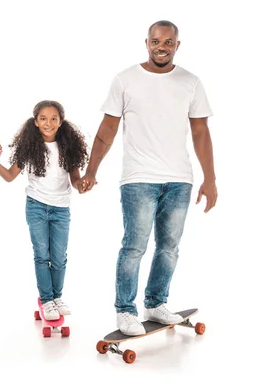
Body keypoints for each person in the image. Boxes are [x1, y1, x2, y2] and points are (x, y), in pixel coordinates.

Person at [80, 20, 218, 336]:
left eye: (168, 42)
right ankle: (125, 311)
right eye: (156, 41)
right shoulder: (126, 80)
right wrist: (91, 171)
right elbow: (107, 130)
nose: (161, 47)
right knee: (134, 246)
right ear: (147, 42)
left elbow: (201, 132)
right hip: (138, 177)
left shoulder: (191, 82)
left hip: (179, 179)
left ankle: (155, 303)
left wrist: (209, 179)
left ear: (177, 45)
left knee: (169, 246)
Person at [0, 100, 88, 321]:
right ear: (35, 122)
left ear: (61, 122)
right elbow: (9, 176)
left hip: (61, 209)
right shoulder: (29, 147)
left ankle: (56, 297)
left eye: (53, 119)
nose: (48, 123)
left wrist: (84, 185)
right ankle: (46, 299)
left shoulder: (68, 147)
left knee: (59, 258)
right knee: (42, 256)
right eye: (43, 119)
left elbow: (76, 181)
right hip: (37, 207)